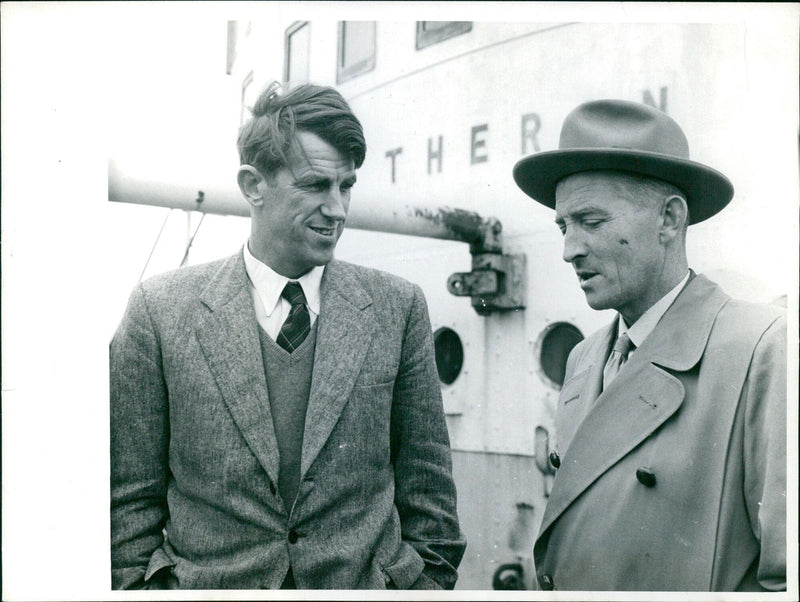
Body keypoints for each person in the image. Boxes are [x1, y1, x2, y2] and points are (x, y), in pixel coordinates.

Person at [110, 82, 465, 590]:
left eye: (347, 186)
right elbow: (128, 499)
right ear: (254, 185)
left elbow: (430, 494)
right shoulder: (159, 312)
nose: (338, 209)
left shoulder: (398, 308)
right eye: (316, 185)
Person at [513, 99, 786, 591]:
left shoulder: (761, 350)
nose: (569, 248)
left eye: (591, 222)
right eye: (563, 225)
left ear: (669, 219)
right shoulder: (583, 359)